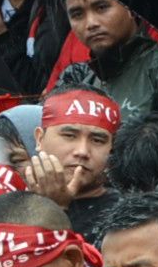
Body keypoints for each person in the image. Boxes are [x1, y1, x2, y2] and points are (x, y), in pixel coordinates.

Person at [54, 0, 158, 124]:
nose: (91, 23)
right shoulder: (85, 83)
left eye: (101, 7)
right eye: (77, 14)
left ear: (130, 6)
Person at [26, 88, 125, 239]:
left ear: (112, 148)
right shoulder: (10, 207)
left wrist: (56, 208)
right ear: (40, 139)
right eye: (70, 136)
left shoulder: (125, 218)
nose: (82, 151)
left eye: (97, 140)